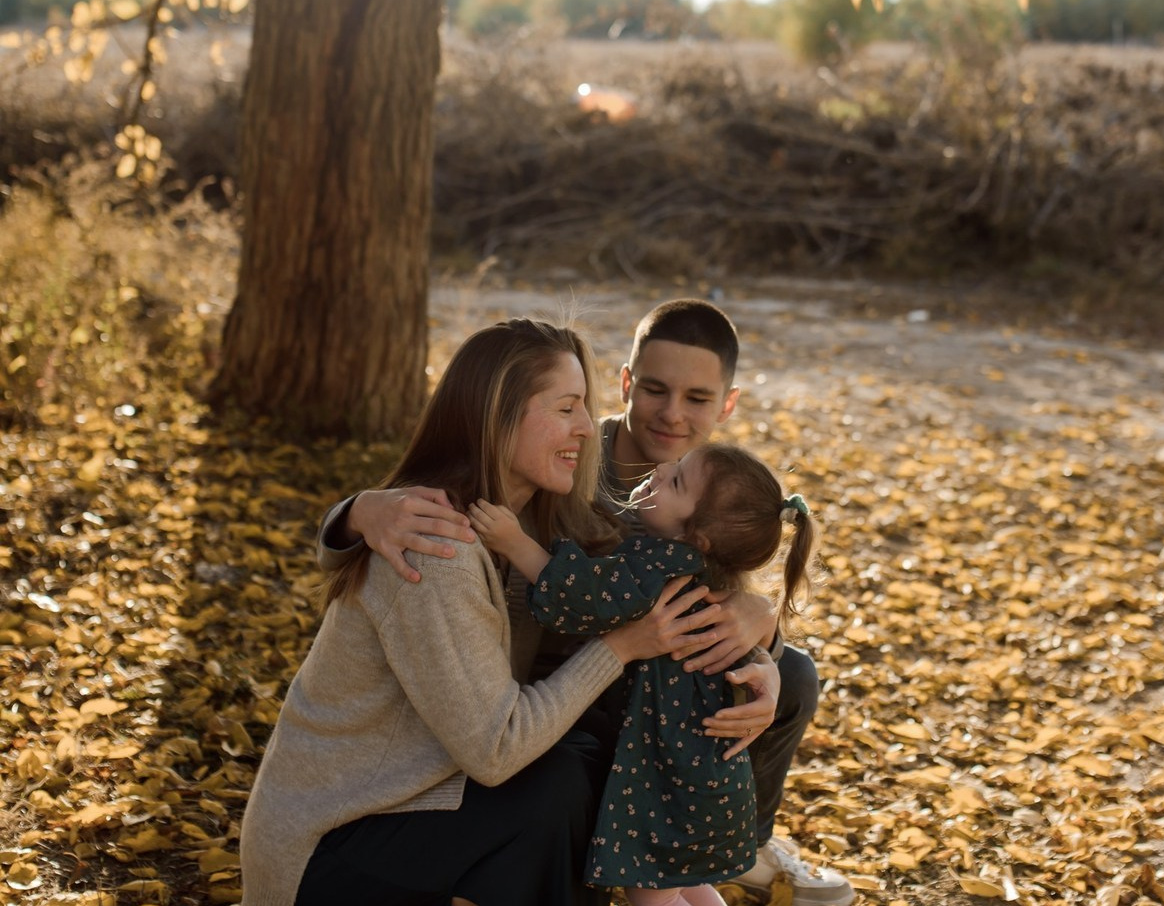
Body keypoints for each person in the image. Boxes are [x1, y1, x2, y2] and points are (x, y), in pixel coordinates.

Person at [318, 298, 850, 906]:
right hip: (547, 674)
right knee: (580, 766)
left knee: (791, 674)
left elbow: (710, 583)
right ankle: (651, 854)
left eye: (697, 399)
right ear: (626, 384)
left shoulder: (710, 484)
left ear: (725, 405)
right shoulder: (567, 465)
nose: (672, 414)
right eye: (655, 389)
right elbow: (421, 530)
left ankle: (726, 847)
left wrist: (757, 632)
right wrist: (357, 512)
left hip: (616, 669)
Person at [239, 318, 735, 906]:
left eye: (584, 407)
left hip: (421, 798)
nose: (586, 427)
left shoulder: (532, 526)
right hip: (329, 843)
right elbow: (497, 751)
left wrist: (755, 642)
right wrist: (622, 646)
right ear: (497, 417)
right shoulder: (435, 544)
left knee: (595, 755)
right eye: (566, 408)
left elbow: (655, 578)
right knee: (556, 789)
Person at [468, 442, 818, 906]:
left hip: (668, 778)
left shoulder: (658, 567)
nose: (663, 468)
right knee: (684, 884)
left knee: (652, 895)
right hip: (701, 772)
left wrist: (515, 544)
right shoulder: (701, 572)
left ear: (698, 537)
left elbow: (587, 595)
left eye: (677, 480)